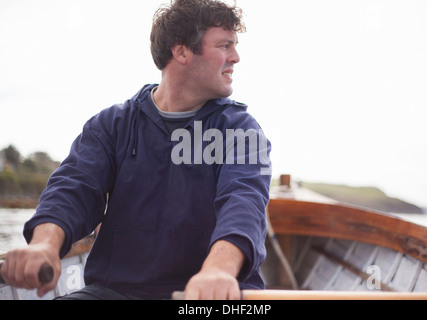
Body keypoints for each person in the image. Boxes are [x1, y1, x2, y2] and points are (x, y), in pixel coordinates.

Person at [0, 0, 271, 300]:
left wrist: (218, 271)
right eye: (225, 45)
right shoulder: (111, 125)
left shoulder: (241, 130)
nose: (236, 57)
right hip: (116, 292)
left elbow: (244, 200)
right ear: (181, 51)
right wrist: (45, 245)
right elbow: (73, 188)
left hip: (210, 296)